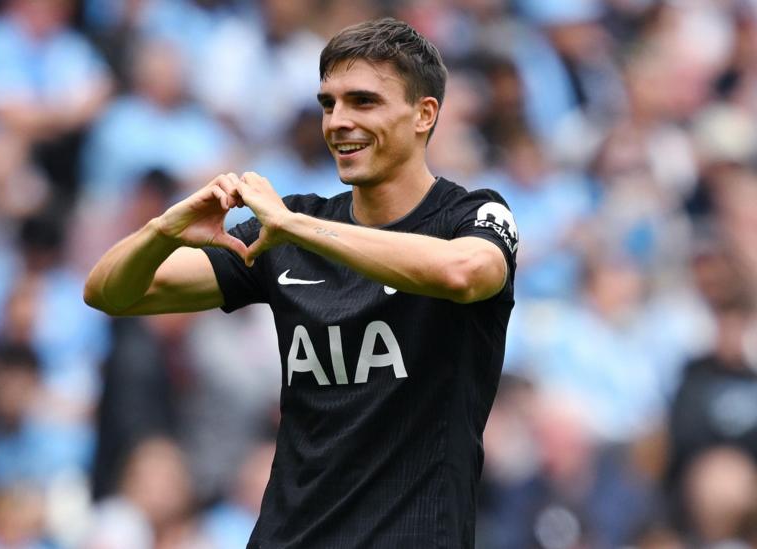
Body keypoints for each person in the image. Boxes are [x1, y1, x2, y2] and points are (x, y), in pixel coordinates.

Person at [84, 17, 518, 547]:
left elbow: (465, 272)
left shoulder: (472, 216)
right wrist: (163, 230)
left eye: (363, 102)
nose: (338, 121)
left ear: (424, 114)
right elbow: (109, 291)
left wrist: (296, 228)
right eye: (328, 104)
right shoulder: (285, 230)